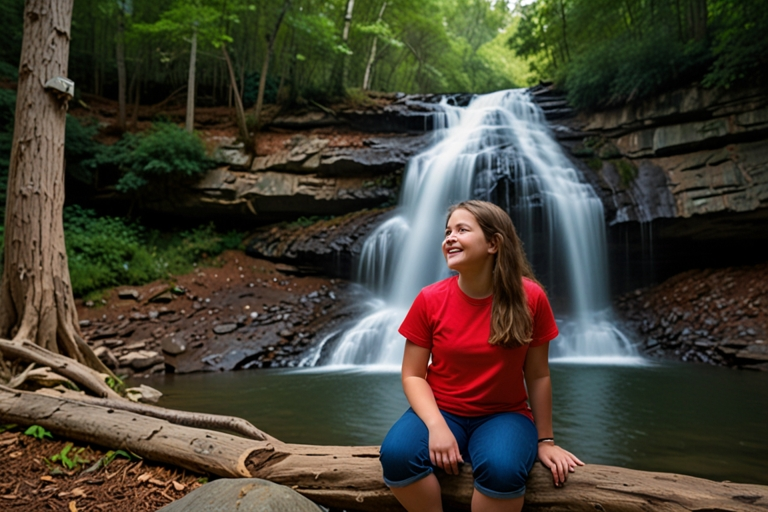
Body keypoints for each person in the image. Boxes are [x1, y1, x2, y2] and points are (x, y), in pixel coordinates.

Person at [379, 200, 583, 512]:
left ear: (493, 243)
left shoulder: (531, 298)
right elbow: (412, 375)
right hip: (442, 408)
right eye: (447, 231)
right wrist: (436, 426)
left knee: (502, 469)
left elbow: (538, 375)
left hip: (505, 415)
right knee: (397, 456)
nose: (449, 237)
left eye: (462, 230)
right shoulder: (429, 299)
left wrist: (546, 442)